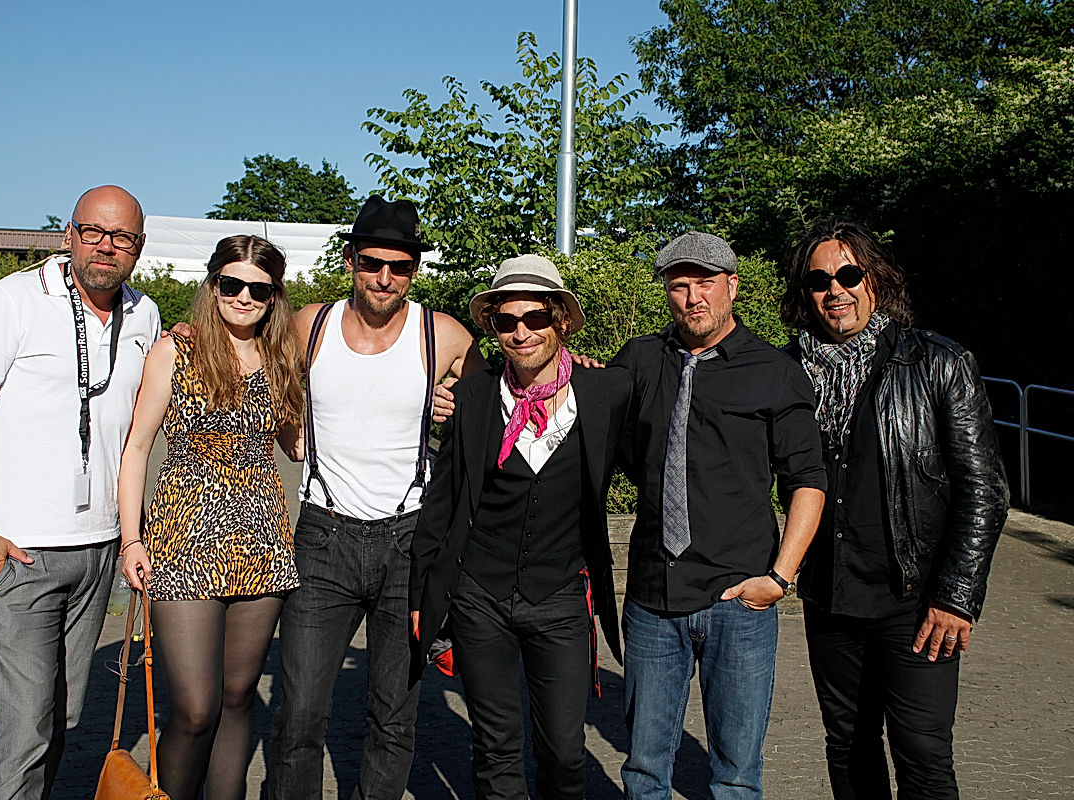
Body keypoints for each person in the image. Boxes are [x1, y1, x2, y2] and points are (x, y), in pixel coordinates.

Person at [0, 186, 161, 800]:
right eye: (94, 232)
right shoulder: (12, 300)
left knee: (61, 718)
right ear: (69, 233)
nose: (106, 247)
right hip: (20, 551)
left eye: (123, 238)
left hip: (99, 549)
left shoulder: (145, 314)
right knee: (21, 730)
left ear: (138, 248)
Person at [781, 217, 1009, 799]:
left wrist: (956, 597)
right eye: (819, 280)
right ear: (805, 295)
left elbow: (984, 489)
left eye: (850, 274)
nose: (836, 290)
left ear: (875, 281)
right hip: (830, 598)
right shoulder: (787, 375)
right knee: (849, 751)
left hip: (917, 603)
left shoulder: (936, 362)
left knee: (924, 758)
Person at [270, 195, 487, 800]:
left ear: (414, 269)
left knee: (394, 716)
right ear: (350, 261)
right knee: (299, 713)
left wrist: (459, 411)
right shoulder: (308, 325)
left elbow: (505, 401)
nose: (385, 277)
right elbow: (241, 353)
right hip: (323, 535)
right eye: (372, 263)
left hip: (409, 540)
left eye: (400, 265)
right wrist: (188, 332)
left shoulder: (440, 334)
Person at [612, 231, 827, 799]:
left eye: (704, 283)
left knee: (735, 774)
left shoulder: (774, 370)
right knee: (642, 771)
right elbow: (593, 431)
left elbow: (807, 479)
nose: (692, 298)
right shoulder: (638, 359)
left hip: (741, 598)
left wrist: (781, 577)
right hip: (654, 599)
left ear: (732, 286)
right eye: (679, 286)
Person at [411, 255, 631, 800]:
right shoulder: (470, 398)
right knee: (495, 748)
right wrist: (423, 590)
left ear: (558, 320)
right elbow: (440, 501)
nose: (520, 332)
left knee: (563, 749)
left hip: (559, 597)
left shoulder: (605, 393)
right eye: (506, 322)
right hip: (479, 595)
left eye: (534, 318)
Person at [116, 235, 303, 800]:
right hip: (184, 539)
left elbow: (296, 446)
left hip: (263, 539)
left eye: (259, 289)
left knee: (239, 695)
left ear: (274, 297)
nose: (243, 297)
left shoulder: (281, 358)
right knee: (195, 708)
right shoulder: (176, 351)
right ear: (212, 283)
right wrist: (132, 540)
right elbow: (137, 450)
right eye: (232, 284)